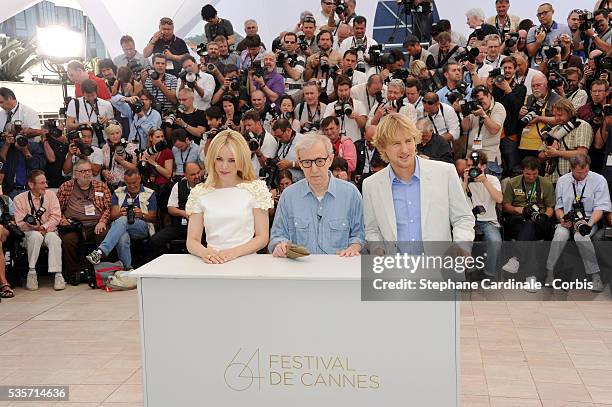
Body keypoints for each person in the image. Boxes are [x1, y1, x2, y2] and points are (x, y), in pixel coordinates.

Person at [362, 113, 474, 243]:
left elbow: (463, 218)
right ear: (382, 147)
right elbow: (372, 230)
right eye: (396, 143)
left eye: (408, 141)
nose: (404, 150)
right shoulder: (371, 185)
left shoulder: (445, 172)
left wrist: (461, 245)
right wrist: (378, 251)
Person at [269, 133, 365, 256]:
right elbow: (277, 236)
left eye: (320, 161)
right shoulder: (288, 196)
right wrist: (279, 246)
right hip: (300, 270)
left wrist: (354, 247)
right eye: (307, 162)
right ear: (300, 163)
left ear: (330, 160)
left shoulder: (351, 194)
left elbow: (359, 235)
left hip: (339, 270)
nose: (314, 169)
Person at [186, 130, 272, 264]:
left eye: (232, 160)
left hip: (247, 264)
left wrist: (232, 253)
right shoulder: (200, 193)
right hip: (213, 264)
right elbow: (192, 241)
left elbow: (262, 237)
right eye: (219, 159)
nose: (224, 166)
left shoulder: (256, 190)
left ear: (241, 160)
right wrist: (206, 253)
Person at [544, 154, 610, 292]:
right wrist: (562, 219)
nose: (583, 175)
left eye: (586, 171)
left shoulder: (599, 180)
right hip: (567, 219)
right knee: (560, 235)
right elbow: (559, 207)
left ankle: (595, 276)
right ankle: (549, 272)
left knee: (581, 236)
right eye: (579, 173)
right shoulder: (563, 181)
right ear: (571, 168)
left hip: (588, 219)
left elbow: (601, 207)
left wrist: (589, 225)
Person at [86, 169, 157, 270]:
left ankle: (101, 251)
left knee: (123, 220)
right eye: (128, 183)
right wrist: (120, 213)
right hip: (121, 227)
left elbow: (153, 217)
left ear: (140, 179)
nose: (132, 186)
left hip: (142, 226)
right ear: (124, 181)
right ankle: (128, 269)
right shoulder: (118, 192)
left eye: (134, 183)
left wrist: (141, 214)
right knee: (122, 237)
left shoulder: (149, 193)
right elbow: (113, 215)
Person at [57, 159, 111, 285]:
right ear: (75, 173)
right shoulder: (66, 187)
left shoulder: (101, 186)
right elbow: (56, 208)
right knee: (68, 240)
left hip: (96, 225)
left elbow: (108, 207)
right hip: (74, 226)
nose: (87, 173)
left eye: (89, 170)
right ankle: (73, 273)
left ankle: (99, 272)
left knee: (104, 235)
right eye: (83, 171)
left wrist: (102, 221)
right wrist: (62, 220)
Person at [501, 156, 555, 275]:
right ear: (522, 171)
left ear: (538, 172)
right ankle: (531, 276)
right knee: (529, 230)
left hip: (540, 220)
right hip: (518, 219)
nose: (531, 177)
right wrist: (519, 210)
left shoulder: (546, 184)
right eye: (528, 174)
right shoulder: (513, 183)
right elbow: (506, 206)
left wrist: (544, 217)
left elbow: (550, 207)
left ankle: (516, 258)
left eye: (534, 174)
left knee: (530, 226)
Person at [13, 170, 64, 291]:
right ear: (31, 185)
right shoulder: (19, 199)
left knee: (54, 239)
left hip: (49, 231)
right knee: (36, 236)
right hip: (29, 234)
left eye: (46, 182)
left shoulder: (51, 195)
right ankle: (31, 272)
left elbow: (56, 216)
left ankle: (58, 274)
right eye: (42, 183)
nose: (46, 186)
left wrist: (44, 227)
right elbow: (20, 223)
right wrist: (35, 228)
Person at [461, 151, 503, 278]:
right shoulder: (463, 180)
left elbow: (499, 199)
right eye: (469, 166)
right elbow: (457, 202)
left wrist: (484, 181)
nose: (472, 169)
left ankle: (488, 273)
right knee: (463, 241)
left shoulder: (492, 179)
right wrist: (465, 182)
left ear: (484, 167)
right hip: (468, 220)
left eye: (475, 166)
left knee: (495, 241)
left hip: (488, 221)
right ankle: (466, 272)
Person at [148, 162, 201, 259]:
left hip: (202, 227)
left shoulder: (207, 186)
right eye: (193, 174)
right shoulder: (178, 186)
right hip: (180, 225)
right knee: (155, 241)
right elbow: (171, 208)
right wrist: (183, 213)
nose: (197, 176)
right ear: (185, 175)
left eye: (198, 172)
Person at [539, 99, 593, 185]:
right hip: (551, 180)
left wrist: (557, 153)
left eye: (560, 115)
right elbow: (540, 157)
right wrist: (549, 150)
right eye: (554, 115)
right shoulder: (553, 130)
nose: (556, 118)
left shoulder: (582, 125)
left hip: (572, 180)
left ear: (570, 112)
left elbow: (582, 154)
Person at [492, 55, 527, 176]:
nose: (507, 70)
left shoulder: (521, 88)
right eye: (505, 67)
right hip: (495, 131)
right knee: (495, 165)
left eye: (510, 68)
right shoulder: (495, 88)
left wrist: (508, 90)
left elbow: (517, 109)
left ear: (515, 69)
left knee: (512, 166)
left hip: (510, 133)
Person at [518, 71, 561, 160]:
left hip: (543, 144)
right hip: (525, 144)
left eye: (538, 85)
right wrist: (521, 114)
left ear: (546, 85)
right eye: (533, 86)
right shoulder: (529, 98)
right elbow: (521, 120)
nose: (535, 88)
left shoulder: (556, 99)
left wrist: (539, 119)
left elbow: (560, 120)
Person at [462, 85, 507, 170]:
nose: (480, 103)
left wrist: (483, 115)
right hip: (471, 155)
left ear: (489, 96)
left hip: (488, 157)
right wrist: (465, 114)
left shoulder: (498, 107)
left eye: (481, 100)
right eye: (477, 101)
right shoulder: (476, 107)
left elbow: (494, 130)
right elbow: (466, 128)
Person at [0, 123, 46, 199]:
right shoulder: (6, 146)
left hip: (30, 190)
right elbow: (1, 163)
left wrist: (25, 150)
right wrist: (7, 145)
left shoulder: (34, 146)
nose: (21, 134)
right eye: (16, 133)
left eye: (23, 132)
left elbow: (37, 167)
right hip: (9, 190)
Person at [65, 79, 114, 147]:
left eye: (93, 95)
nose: (91, 98)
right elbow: (68, 126)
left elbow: (114, 127)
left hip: (102, 145)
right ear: (82, 93)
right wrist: (83, 125)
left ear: (96, 92)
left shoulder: (107, 104)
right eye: (88, 96)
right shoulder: (74, 103)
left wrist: (107, 121)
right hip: (82, 145)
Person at [323, 75, 367, 142]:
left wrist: (356, 116)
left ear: (350, 89)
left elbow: (363, 125)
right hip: (335, 144)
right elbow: (324, 126)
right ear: (336, 90)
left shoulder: (359, 104)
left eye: (346, 90)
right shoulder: (330, 106)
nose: (343, 93)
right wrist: (332, 116)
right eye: (341, 90)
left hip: (354, 142)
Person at [242, 109, 279, 180]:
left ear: (258, 123)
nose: (247, 128)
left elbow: (267, 165)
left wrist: (258, 152)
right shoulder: (246, 137)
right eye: (245, 125)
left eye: (249, 125)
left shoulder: (269, 140)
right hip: (247, 179)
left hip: (261, 181)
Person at [101, 123, 137, 189]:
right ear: (107, 135)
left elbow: (135, 168)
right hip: (109, 185)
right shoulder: (105, 148)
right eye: (112, 134)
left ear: (121, 133)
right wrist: (104, 172)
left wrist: (122, 161)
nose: (115, 136)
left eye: (117, 133)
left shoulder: (130, 146)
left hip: (126, 185)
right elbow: (103, 166)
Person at [276, 32, 306, 99]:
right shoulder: (276, 57)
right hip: (279, 92)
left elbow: (296, 76)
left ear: (296, 44)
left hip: (294, 92)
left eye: (292, 42)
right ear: (283, 44)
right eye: (287, 42)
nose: (289, 44)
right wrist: (273, 60)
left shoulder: (300, 58)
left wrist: (284, 63)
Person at [0, 195, 15, 298]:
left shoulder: (5, 200)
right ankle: (3, 282)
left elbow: (14, 220)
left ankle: (3, 282)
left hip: (3, 230)